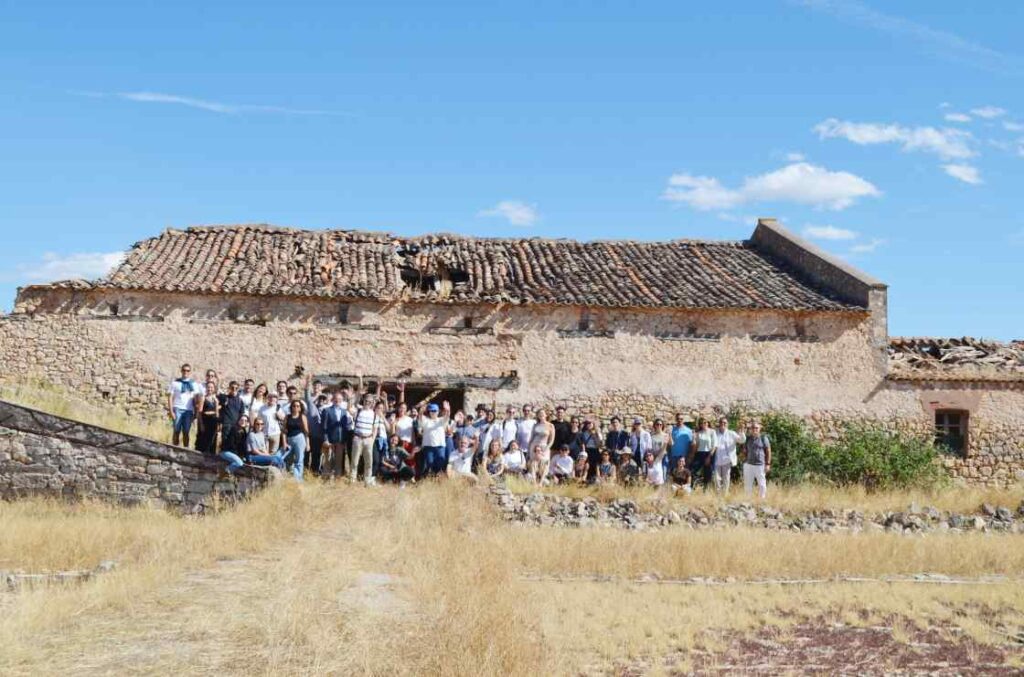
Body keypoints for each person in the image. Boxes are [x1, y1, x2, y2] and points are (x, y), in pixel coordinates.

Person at [167, 363, 201, 447]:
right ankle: (174, 449)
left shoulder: (194, 384)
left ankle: (185, 450)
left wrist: (196, 413)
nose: (186, 372)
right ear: (181, 371)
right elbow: (170, 397)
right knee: (176, 430)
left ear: (190, 372)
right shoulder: (175, 383)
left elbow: (196, 399)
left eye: (188, 370)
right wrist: (171, 411)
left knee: (186, 432)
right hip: (177, 408)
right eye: (184, 370)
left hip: (188, 410)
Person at [350, 393, 381, 486]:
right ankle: (352, 479)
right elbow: (349, 407)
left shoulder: (375, 415)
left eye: (370, 402)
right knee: (354, 460)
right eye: (366, 401)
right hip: (357, 438)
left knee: (369, 462)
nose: (367, 403)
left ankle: (367, 480)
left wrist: (372, 440)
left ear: (372, 403)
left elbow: (375, 429)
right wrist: (356, 395)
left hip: (368, 439)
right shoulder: (358, 411)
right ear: (363, 400)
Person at [322, 391, 352, 479]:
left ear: (342, 400)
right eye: (336, 399)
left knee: (339, 461)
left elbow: (345, 427)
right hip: (330, 440)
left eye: (340, 399)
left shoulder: (344, 411)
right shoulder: (327, 410)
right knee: (328, 460)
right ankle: (326, 479)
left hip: (340, 440)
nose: (338, 401)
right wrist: (325, 439)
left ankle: (337, 478)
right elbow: (324, 427)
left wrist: (345, 440)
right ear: (333, 400)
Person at [713, 417, 746, 494]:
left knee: (726, 478)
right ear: (719, 423)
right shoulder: (715, 432)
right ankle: (718, 494)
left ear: (727, 424)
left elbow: (742, 440)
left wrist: (741, 432)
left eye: (725, 423)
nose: (723, 424)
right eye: (721, 422)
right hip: (717, 459)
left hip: (727, 460)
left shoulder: (732, 433)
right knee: (717, 478)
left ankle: (725, 494)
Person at [418, 401, 450, 478]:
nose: (433, 412)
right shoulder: (426, 420)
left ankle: (437, 477)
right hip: (428, 446)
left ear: (438, 411)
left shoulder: (441, 420)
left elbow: (447, 416)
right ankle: (432, 477)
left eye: (435, 411)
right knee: (430, 462)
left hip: (440, 446)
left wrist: (448, 410)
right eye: (431, 411)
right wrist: (421, 411)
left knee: (440, 462)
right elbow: (420, 418)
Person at [742, 421, 772, 498]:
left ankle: (761, 501)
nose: (754, 429)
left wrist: (768, 464)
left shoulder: (763, 438)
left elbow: (768, 451)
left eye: (756, 428)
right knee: (748, 484)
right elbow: (744, 450)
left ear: (759, 429)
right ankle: (747, 501)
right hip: (749, 465)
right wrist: (745, 459)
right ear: (750, 429)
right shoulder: (748, 438)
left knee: (762, 484)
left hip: (760, 465)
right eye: (753, 428)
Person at [219, 381, 248, 456]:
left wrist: (241, 425)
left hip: (236, 426)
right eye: (232, 388)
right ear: (229, 388)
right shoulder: (225, 398)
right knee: (225, 443)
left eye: (236, 388)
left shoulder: (240, 400)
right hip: (227, 424)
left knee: (235, 443)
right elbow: (220, 400)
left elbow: (242, 413)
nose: (234, 389)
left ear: (238, 389)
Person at [284, 399, 310, 481]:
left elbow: (306, 431)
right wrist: (284, 442)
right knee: (289, 460)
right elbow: (284, 431)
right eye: (294, 406)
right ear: (291, 407)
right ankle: (291, 477)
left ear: (300, 408)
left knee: (299, 459)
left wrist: (308, 444)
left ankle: (299, 479)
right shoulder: (287, 417)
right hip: (289, 439)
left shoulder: (302, 417)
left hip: (299, 438)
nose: (295, 407)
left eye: (298, 406)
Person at [303, 376, 325, 475]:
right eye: (315, 385)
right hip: (309, 430)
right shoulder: (310, 398)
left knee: (317, 454)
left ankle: (315, 472)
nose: (316, 387)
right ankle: (305, 471)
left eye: (318, 386)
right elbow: (307, 396)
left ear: (321, 387)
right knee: (306, 453)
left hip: (319, 432)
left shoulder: (325, 397)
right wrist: (308, 383)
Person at [689, 418, 717, 490]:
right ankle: (693, 487)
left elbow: (714, 446)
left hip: (709, 453)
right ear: (700, 424)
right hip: (699, 453)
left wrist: (709, 457)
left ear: (708, 423)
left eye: (705, 422)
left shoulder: (712, 432)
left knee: (708, 473)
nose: (704, 424)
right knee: (692, 470)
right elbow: (696, 445)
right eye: (702, 423)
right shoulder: (698, 433)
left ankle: (706, 490)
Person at [195, 379, 221, 454]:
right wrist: (201, 425)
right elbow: (199, 413)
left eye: (211, 387)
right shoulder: (203, 398)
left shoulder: (215, 399)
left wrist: (218, 423)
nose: (210, 389)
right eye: (208, 387)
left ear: (214, 388)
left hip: (213, 422)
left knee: (212, 440)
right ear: (206, 388)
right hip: (205, 421)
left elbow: (217, 413)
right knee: (203, 440)